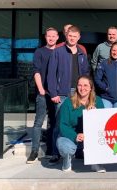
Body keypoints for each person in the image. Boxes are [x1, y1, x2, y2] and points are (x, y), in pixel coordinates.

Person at [47, 25, 90, 165]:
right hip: (62, 94)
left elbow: (86, 74)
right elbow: (51, 74)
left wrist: (86, 91)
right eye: (70, 36)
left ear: (79, 37)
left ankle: (77, 151)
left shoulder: (82, 53)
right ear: (67, 36)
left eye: (75, 36)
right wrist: (53, 92)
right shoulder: (58, 52)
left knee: (78, 122)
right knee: (60, 124)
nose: (72, 39)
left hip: (79, 93)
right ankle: (55, 153)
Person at [56, 75, 105, 172]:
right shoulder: (68, 103)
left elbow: (103, 124)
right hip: (73, 137)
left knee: (103, 138)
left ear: (91, 88)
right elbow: (62, 125)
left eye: (86, 85)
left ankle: (95, 163)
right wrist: (76, 136)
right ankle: (67, 162)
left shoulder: (98, 101)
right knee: (64, 146)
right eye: (80, 85)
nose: (82, 88)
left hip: (90, 137)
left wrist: (96, 114)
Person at [26, 27, 59, 164]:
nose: (51, 38)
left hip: (56, 94)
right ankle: (34, 151)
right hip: (43, 93)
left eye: (53, 36)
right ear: (45, 37)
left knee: (54, 122)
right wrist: (41, 89)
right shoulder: (40, 52)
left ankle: (52, 151)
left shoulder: (60, 52)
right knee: (38, 123)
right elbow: (37, 71)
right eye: (48, 36)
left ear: (57, 37)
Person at [94, 42, 117, 108]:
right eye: (113, 50)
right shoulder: (104, 63)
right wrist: (105, 88)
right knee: (106, 118)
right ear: (110, 51)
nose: (115, 53)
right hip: (106, 98)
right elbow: (97, 79)